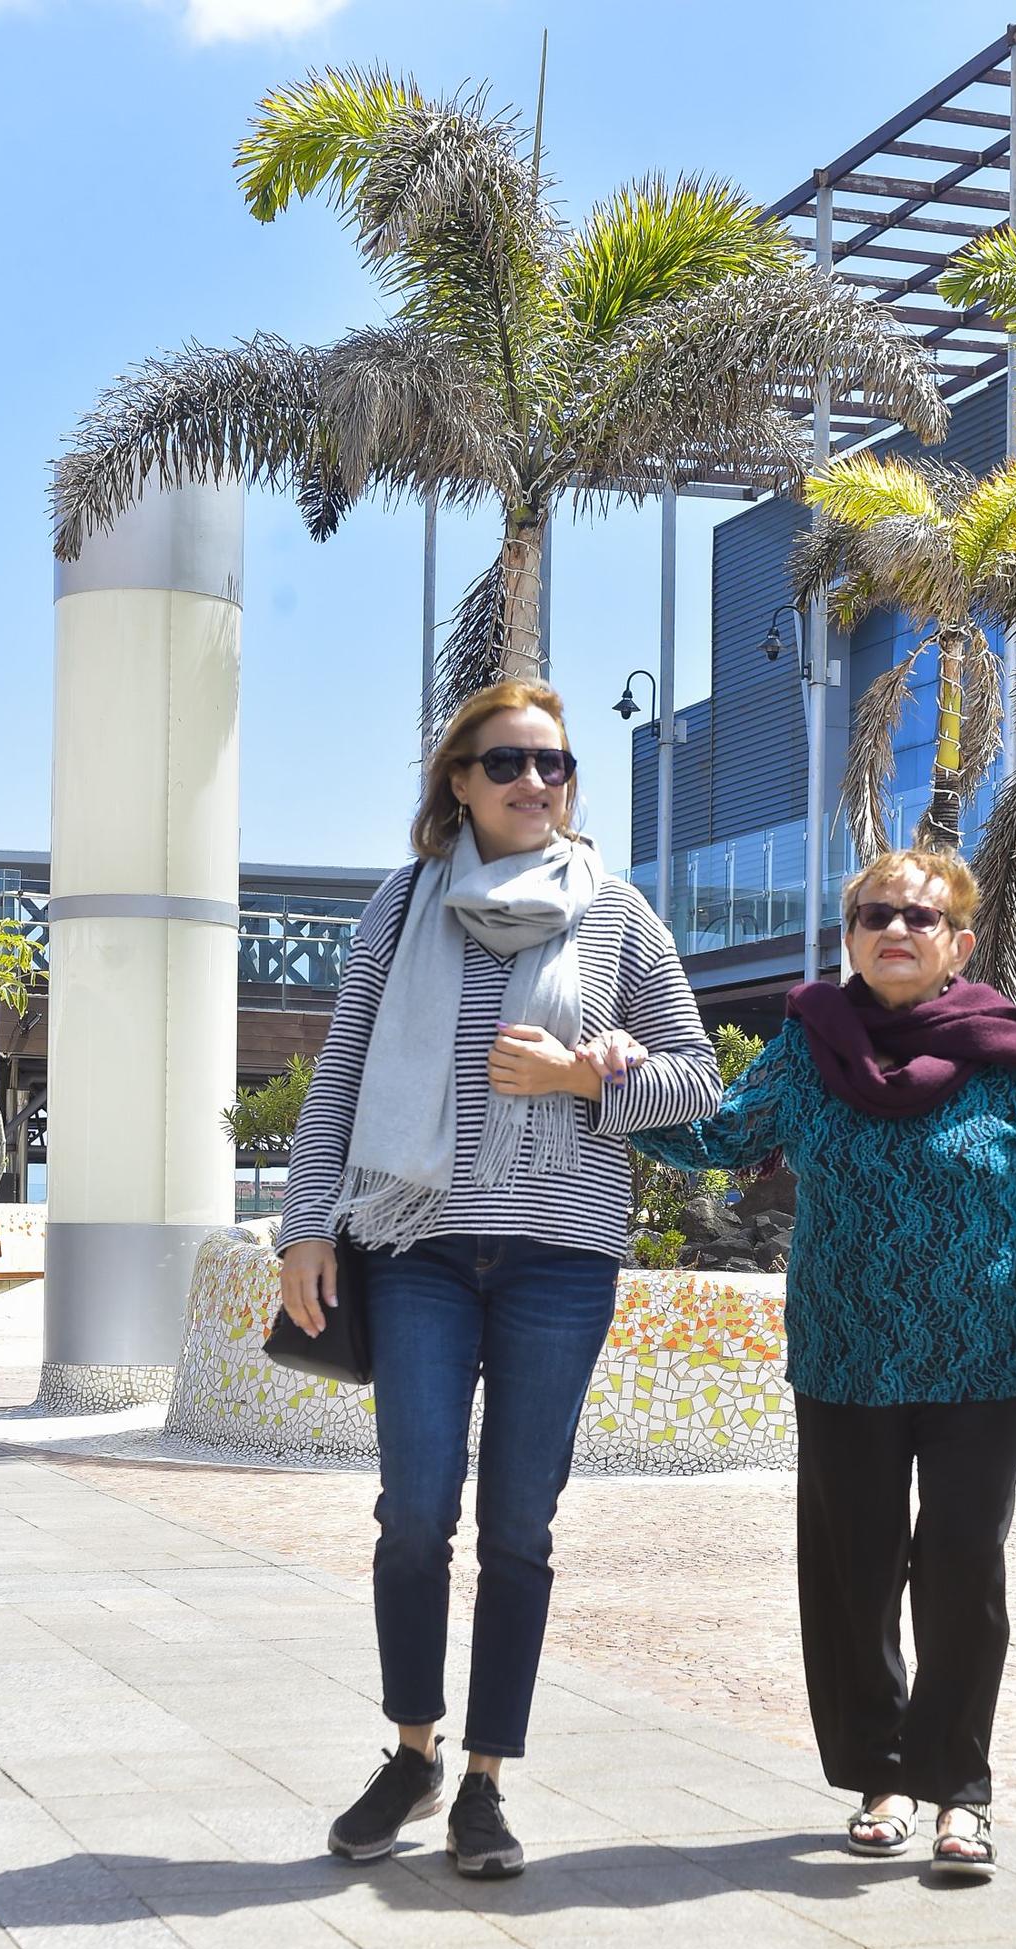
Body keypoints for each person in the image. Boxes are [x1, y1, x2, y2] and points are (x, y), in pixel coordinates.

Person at [277, 681, 721, 1878]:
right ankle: (410, 1749)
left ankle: (484, 1779)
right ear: (458, 783)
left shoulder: (617, 914)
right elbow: (341, 1075)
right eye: (509, 762)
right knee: (414, 1510)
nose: (537, 782)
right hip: (413, 1247)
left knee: (517, 1523)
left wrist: (584, 1078)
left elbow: (695, 1081)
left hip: (557, 1257)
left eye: (556, 764)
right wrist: (301, 1228)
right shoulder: (403, 901)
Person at [631, 847, 1016, 1878]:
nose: (894, 928)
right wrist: (606, 1081)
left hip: (980, 1362)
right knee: (854, 1571)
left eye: (918, 917)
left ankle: (958, 1793)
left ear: (958, 944)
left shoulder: (1005, 1058)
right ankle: (883, 1774)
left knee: (962, 1570)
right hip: (845, 1354)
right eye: (873, 913)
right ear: (846, 935)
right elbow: (715, 1136)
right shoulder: (810, 1048)